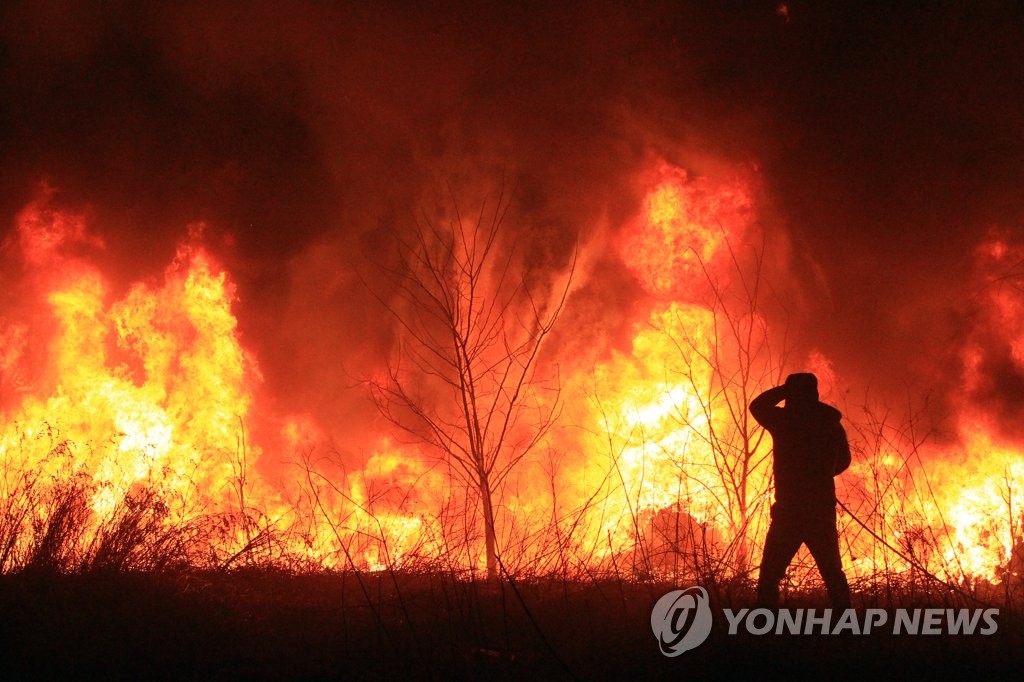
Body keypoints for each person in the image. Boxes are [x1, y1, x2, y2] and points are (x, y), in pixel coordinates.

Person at [750, 372, 851, 609]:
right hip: (821, 510)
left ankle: (764, 628)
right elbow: (844, 461)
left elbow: (757, 406)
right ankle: (846, 628)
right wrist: (821, 477)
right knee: (833, 573)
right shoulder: (829, 423)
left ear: (791, 396)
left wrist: (784, 390)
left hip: (789, 512)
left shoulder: (784, 421)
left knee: (769, 576)